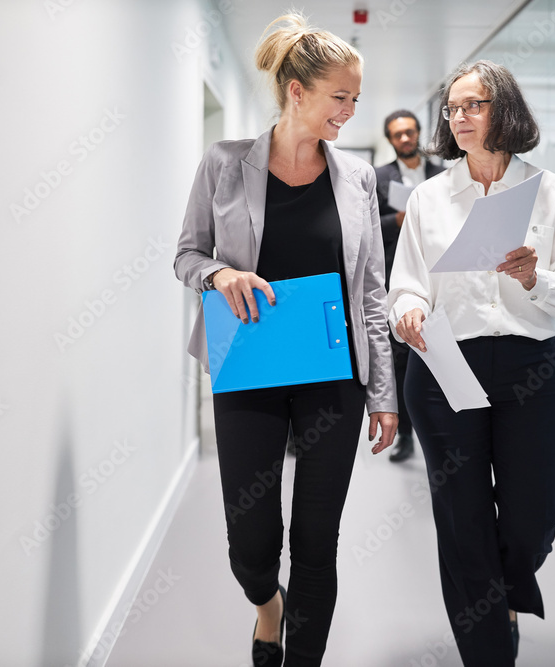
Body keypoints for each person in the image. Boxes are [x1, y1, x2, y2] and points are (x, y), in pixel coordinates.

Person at [173, 13, 398, 667]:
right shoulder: (223, 163)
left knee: (317, 538)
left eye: (356, 98)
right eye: (340, 97)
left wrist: (384, 393)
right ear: (296, 90)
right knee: (251, 540)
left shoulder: (357, 176)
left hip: (334, 373)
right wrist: (220, 273)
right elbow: (186, 255)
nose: (350, 111)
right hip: (250, 362)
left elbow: (373, 294)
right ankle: (267, 606)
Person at [388, 60, 555, 665]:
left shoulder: (550, 192)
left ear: (504, 110)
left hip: (530, 367)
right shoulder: (429, 197)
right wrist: (408, 311)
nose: (460, 118)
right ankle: (487, 649)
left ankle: (504, 593)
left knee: (533, 517)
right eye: (452, 109)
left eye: (473, 105)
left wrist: (537, 277)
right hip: (445, 366)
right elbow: (407, 285)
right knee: (462, 518)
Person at [374, 110, 445, 463]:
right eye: (397, 134)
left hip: (440, 278)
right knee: (401, 359)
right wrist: (397, 220)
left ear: (418, 133)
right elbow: (366, 228)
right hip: (396, 279)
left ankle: (442, 430)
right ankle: (404, 436)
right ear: (390, 139)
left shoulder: (444, 175)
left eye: (409, 132)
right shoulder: (378, 177)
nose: (404, 138)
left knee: (441, 356)